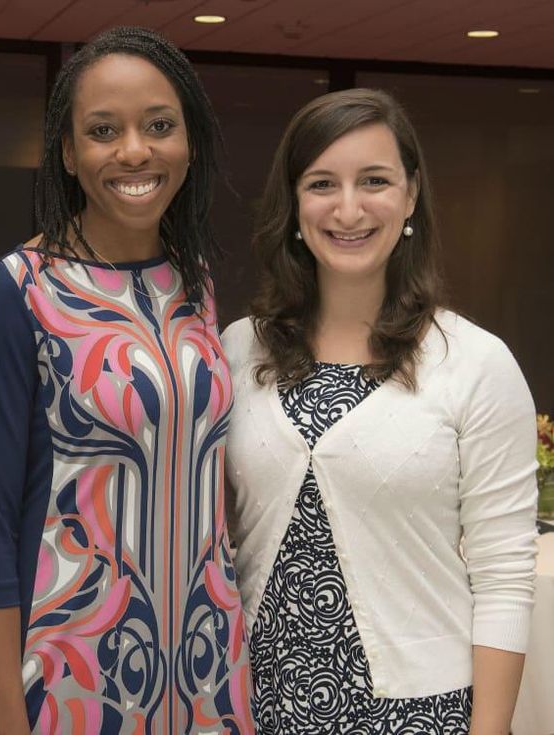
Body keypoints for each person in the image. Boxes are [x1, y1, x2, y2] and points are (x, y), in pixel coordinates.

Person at [0, 26, 255, 735]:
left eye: (159, 126)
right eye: (102, 130)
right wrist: (3, 711)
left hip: (210, 660)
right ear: (67, 152)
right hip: (77, 666)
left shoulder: (196, 281)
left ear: (190, 140)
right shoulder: (17, 290)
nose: (134, 151)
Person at [221, 88, 538, 734]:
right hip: (256, 704)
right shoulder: (237, 348)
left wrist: (492, 728)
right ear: (294, 203)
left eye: (374, 181)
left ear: (411, 194)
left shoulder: (475, 363)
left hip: (418, 712)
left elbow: (505, 573)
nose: (348, 208)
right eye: (321, 183)